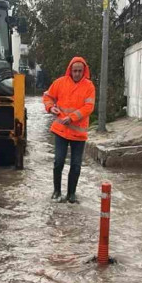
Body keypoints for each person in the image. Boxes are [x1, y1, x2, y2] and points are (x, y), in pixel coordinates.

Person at [42, 56, 96, 204]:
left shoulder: (89, 86)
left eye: (80, 71)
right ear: (70, 70)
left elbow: (88, 107)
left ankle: (71, 194)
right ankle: (57, 191)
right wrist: (50, 107)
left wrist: (72, 117)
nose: (77, 73)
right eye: (74, 71)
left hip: (78, 133)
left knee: (76, 165)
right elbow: (47, 96)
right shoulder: (60, 83)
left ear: (84, 71)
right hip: (60, 131)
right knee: (58, 162)